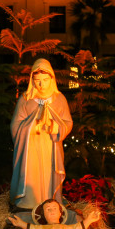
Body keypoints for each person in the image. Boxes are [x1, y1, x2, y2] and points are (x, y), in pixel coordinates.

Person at [10, 58, 73, 211]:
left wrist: (55, 127)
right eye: (37, 80)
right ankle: (29, 203)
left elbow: (68, 122)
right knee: (32, 176)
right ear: (32, 80)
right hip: (30, 148)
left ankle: (51, 203)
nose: (41, 84)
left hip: (51, 146)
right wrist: (32, 126)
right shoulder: (26, 99)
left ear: (52, 79)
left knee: (49, 175)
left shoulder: (59, 99)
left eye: (45, 80)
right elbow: (15, 126)